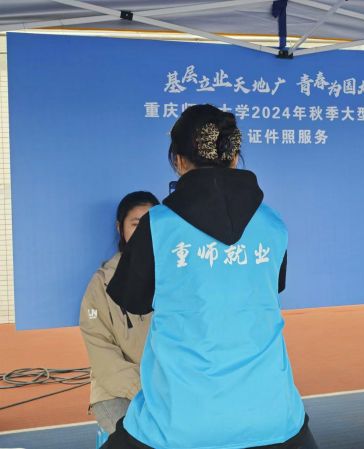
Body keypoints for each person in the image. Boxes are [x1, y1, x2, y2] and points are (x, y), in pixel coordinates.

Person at [103, 104, 318, 449]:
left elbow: (133, 300)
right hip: (274, 416)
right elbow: (271, 287)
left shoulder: (157, 226)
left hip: (177, 422)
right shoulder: (272, 223)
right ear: (233, 157)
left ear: (178, 160)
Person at [80, 191, 160, 435]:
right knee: (137, 438)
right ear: (120, 228)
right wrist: (144, 390)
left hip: (168, 386)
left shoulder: (177, 275)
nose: (144, 231)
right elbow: (103, 355)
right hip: (116, 390)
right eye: (136, 224)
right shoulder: (101, 283)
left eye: (150, 223)